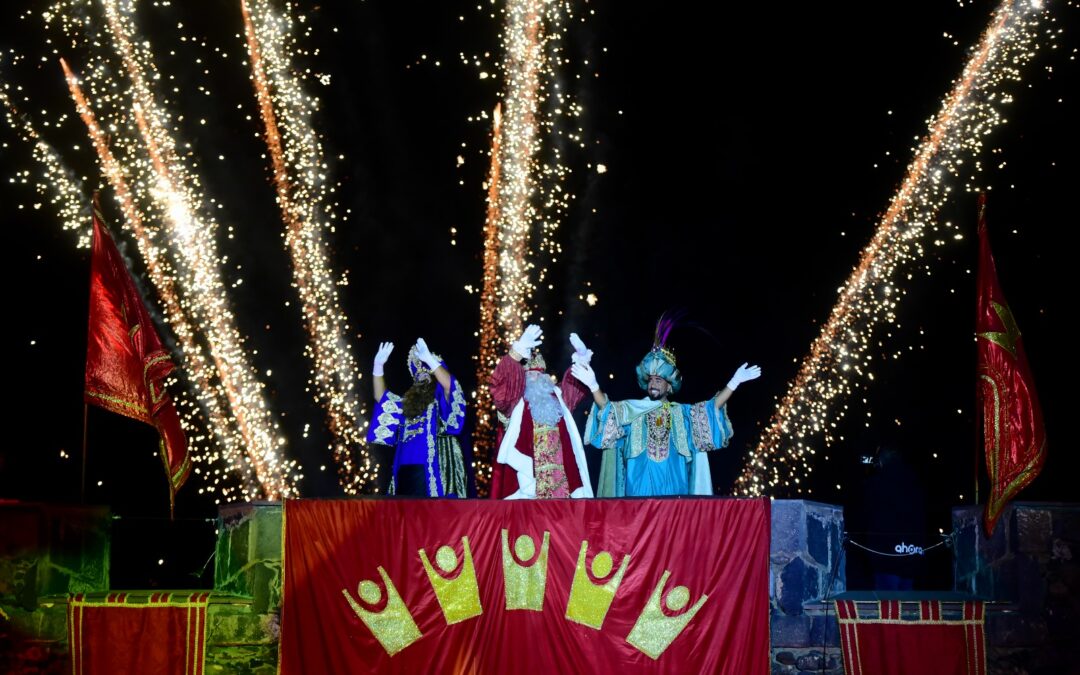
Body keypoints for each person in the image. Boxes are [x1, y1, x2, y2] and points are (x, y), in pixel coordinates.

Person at [575, 320, 761, 496]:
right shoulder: (632, 410)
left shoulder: (682, 413)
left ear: (669, 386)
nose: (653, 383)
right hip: (638, 496)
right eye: (650, 380)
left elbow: (711, 409)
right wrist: (593, 386)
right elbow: (607, 410)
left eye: (659, 380)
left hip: (674, 496)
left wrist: (734, 383)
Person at [489, 325, 594, 499]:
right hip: (529, 484)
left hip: (563, 483)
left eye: (537, 374)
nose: (533, 378)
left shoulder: (559, 396)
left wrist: (581, 359)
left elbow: (575, 384)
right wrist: (517, 351)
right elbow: (499, 388)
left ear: (545, 377)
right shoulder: (515, 400)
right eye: (528, 375)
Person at [367, 338, 468, 497]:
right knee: (405, 518)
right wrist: (378, 367)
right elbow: (381, 398)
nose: (422, 377)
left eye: (427, 374)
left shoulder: (441, 403)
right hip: (403, 470)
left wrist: (430, 360)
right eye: (418, 375)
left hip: (432, 470)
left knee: (430, 518)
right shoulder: (407, 405)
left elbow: (451, 386)